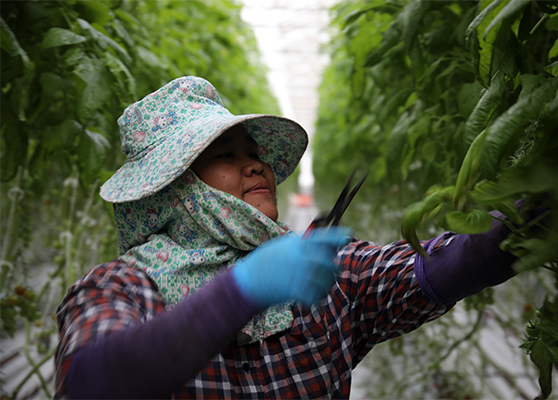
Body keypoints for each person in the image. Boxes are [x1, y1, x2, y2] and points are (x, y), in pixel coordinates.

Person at [54, 76, 521, 399]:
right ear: (176, 188)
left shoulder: (314, 273)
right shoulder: (123, 288)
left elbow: (425, 270)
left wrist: (518, 227)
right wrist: (241, 291)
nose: (258, 165)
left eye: (255, 154)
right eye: (225, 155)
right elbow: (93, 383)